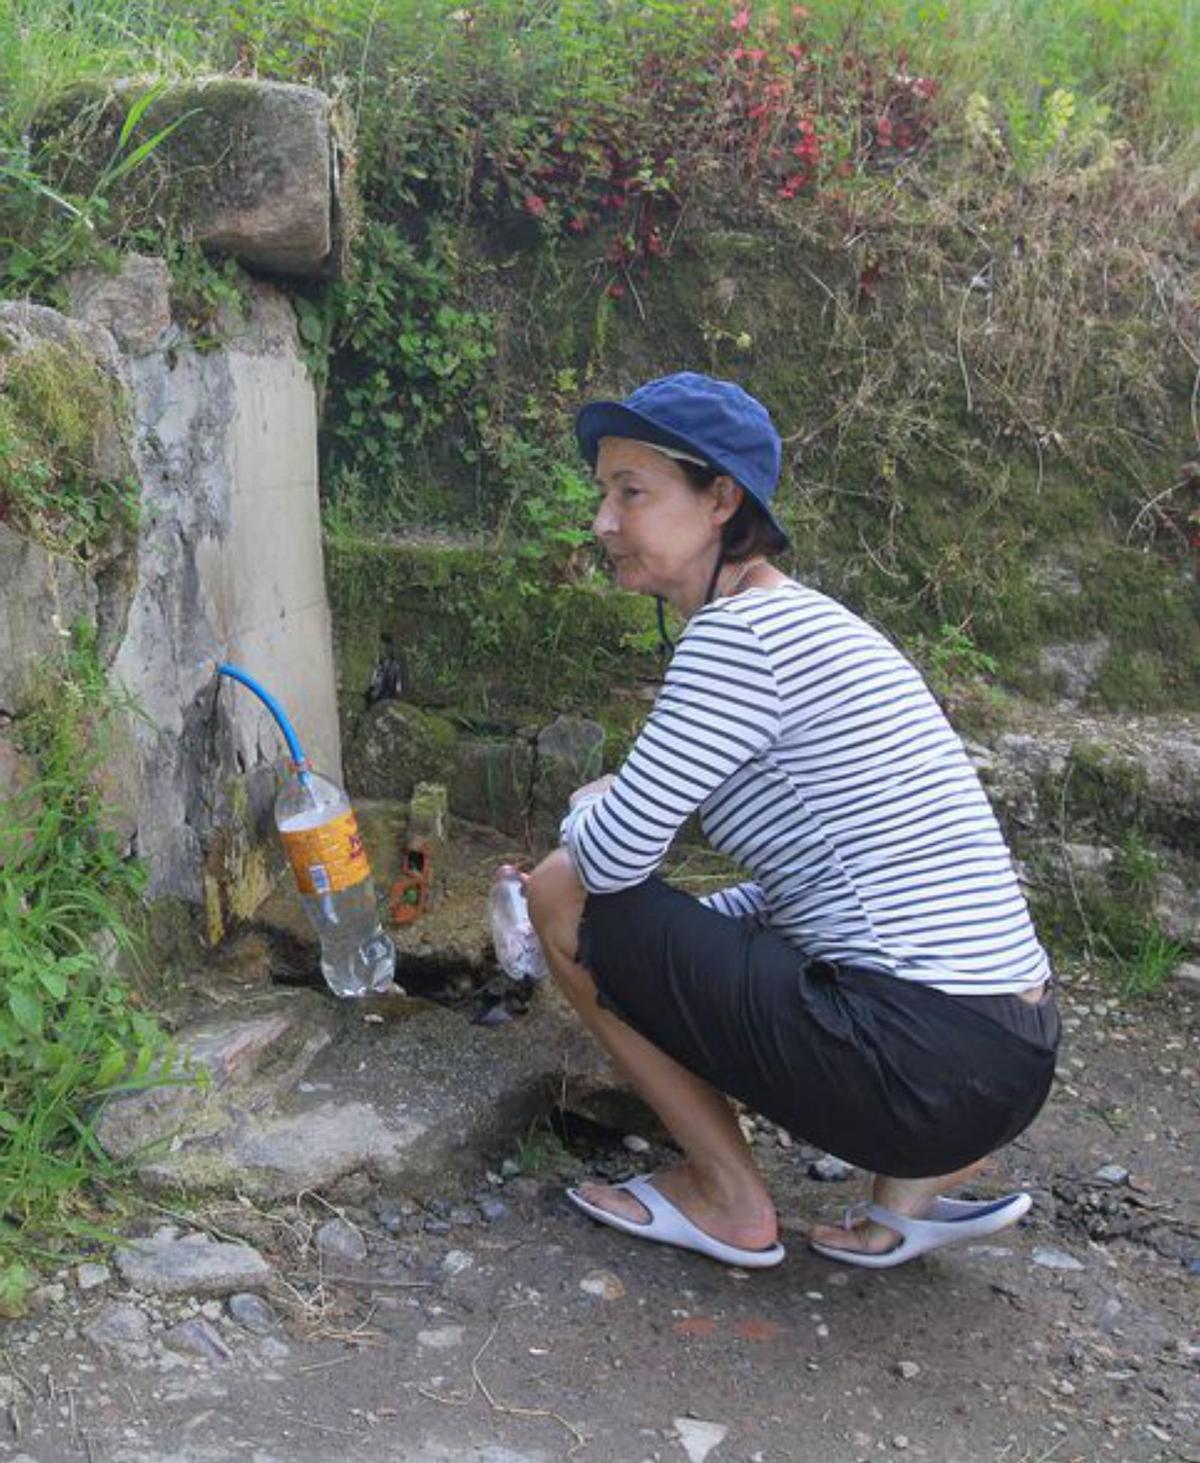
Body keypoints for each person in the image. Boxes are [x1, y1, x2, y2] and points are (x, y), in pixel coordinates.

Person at [524, 371, 1060, 1270]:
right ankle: (905, 1202)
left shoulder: (742, 637)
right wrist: (682, 918)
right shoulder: (807, 625)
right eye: (603, 493)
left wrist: (591, 809)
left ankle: (728, 1198)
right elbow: (822, 894)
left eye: (632, 491)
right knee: (658, 901)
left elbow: (612, 860)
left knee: (558, 891)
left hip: (922, 1063)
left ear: (720, 498)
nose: (602, 521)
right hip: (1010, 1053)